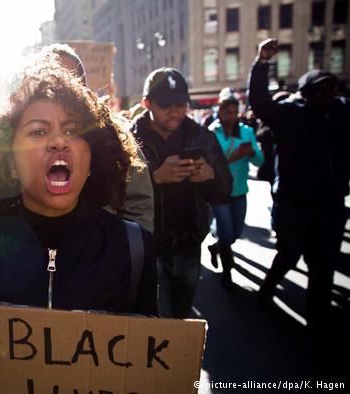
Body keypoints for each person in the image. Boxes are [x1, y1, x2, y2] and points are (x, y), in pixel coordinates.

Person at [0, 57, 158, 394]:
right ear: (8, 157)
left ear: (94, 154)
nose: (59, 142)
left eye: (72, 130)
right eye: (39, 131)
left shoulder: (135, 249)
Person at [248, 38, 350, 330]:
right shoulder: (289, 115)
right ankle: (268, 287)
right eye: (321, 89)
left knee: (323, 265)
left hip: (330, 205)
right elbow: (260, 103)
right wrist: (262, 63)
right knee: (290, 254)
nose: (329, 94)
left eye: (332, 88)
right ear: (305, 93)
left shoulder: (341, 112)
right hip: (294, 204)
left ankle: (317, 322)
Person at [130, 67, 232, 318]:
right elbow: (112, 197)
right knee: (158, 318)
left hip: (189, 246)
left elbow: (225, 190)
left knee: (182, 315)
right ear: (147, 103)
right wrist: (154, 178)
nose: (175, 111)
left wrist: (211, 176)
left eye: (180, 103)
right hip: (148, 247)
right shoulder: (129, 140)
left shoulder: (203, 136)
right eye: (166, 104)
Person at [46, 43, 155, 232]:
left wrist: (124, 251)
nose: (60, 91)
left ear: (83, 87)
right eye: (51, 81)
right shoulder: (22, 138)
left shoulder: (115, 139)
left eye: (68, 81)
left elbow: (138, 207)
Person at [207, 90, 264, 291]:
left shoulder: (247, 132)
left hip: (240, 190)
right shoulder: (212, 132)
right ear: (220, 112)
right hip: (219, 193)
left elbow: (259, 161)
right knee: (226, 235)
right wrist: (235, 156)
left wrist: (251, 153)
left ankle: (215, 247)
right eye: (227, 112)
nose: (230, 116)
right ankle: (227, 273)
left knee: (234, 235)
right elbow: (211, 166)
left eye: (234, 112)